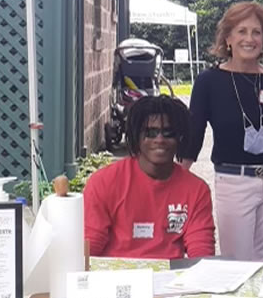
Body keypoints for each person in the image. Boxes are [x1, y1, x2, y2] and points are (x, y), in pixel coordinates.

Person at [183, 2, 263, 262]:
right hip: (234, 182)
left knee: (262, 261)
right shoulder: (209, 82)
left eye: (256, 32)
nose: (249, 38)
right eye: (241, 31)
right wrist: (178, 175)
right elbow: (193, 134)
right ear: (228, 38)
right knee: (237, 262)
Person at [84, 96, 215, 260]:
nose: (159, 140)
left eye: (169, 133)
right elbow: (88, 252)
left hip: (170, 281)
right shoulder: (103, 183)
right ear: (136, 137)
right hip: (115, 280)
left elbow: (202, 255)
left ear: (180, 138)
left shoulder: (197, 190)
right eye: (150, 133)